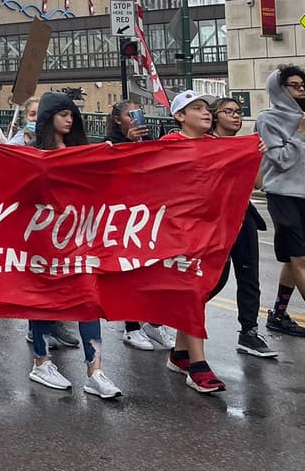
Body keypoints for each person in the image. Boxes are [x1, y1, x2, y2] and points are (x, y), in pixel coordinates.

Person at [26, 91, 123, 399]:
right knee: (43, 299)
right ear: (48, 116)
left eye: (72, 114)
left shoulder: (82, 150)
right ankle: (41, 362)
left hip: (78, 238)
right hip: (43, 239)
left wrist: (107, 157)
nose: (70, 119)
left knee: (88, 298)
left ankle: (95, 371)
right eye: (63, 113)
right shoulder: (30, 153)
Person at [154, 90, 227, 392]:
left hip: (213, 230)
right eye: (196, 108)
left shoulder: (220, 147)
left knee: (207, 287)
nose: (206, 113)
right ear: (180, 117)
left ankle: (180, 353)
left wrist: (254, 151)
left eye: (207, 108)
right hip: (179, 231)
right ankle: (198, 365)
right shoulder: (167, 146)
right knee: (191, 290)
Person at [207, 97, 276, 357]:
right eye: (228, 112)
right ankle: (177, 319)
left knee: (249, 275)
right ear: (215, 116)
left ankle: (249, 332)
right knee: (216, 278)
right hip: (214, 219)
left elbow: (257, 184)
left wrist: (255, 157)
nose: (236, 116)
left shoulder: (245, 145)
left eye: (238, 112)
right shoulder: (205, 145)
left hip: (242, 215)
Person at [105, 100, 175, 353]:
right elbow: (110, 172)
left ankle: (155, 322)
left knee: (155, 270)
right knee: (128, 272)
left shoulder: (147, 140)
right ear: (117, 120)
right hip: (124, 216)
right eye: (130, 114)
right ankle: (131, 327)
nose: (136, 118)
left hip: (149, 213)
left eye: (139, 114)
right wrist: (128, 145)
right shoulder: (110, 144)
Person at [255, 66, 305, 338]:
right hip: (284, 196)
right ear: (279, 89)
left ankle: (279, 313)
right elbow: (282, 160)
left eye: (302, 85)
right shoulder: (268, 120)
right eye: (294, 85)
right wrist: (299, 133)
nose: (301, 90)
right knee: (300, 259)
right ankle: (278, 315)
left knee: (291, 259)